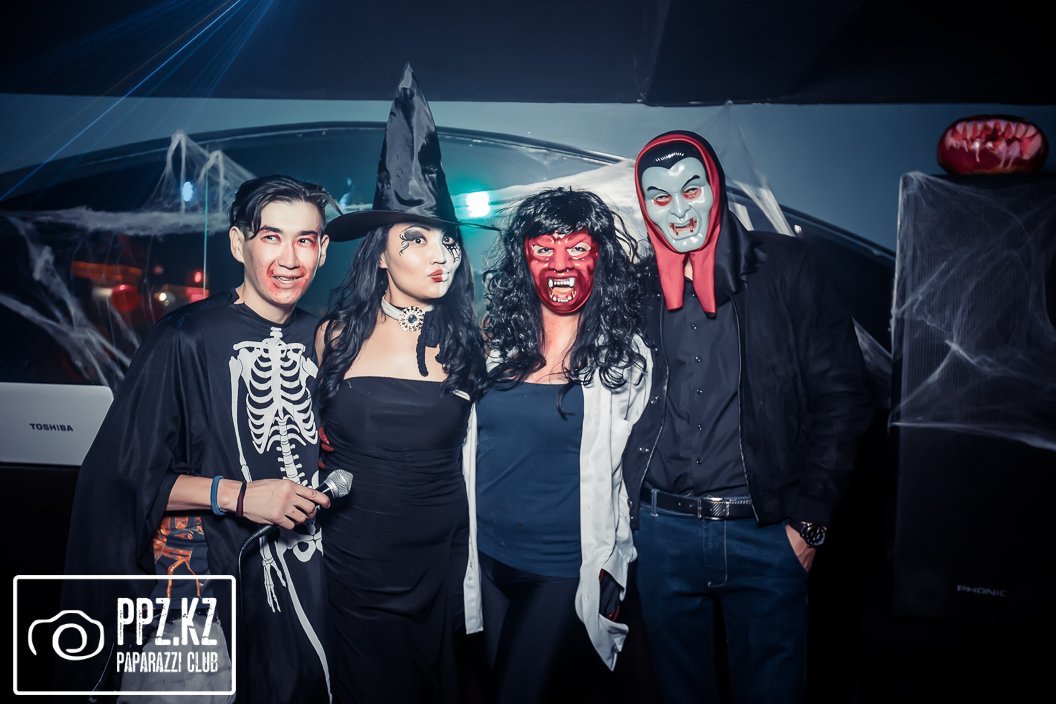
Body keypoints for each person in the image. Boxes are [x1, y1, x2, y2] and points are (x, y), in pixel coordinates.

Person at [62, 174, 338, 703]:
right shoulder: (184, 336)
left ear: (322, 250)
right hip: (203, 596)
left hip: (307, 589)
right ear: (238, 243)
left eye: (304, 240)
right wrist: (236, 495)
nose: (289, 258)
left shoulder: (323, 340)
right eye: (271, 237)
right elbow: (120, 480)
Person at [622, 130, 874, 704]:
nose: (678, 210)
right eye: (660, 197)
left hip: (765, 534)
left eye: (692, 189)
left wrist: (810, 523)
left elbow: (844, 398)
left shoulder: (786, 266)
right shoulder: (638, 287)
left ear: (716, 187)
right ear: (645, 207)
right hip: (662, 534)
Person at [315, 64, 488, 704]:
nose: (439, 255)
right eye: (415, 239)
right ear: (381, 254)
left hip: (442, 562)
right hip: (353, 562)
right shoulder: (332, 337)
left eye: (447, 240)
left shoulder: (473, 343)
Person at [463, 187, 650, 703]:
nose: (560, 264)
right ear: (523, 260)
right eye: (544, 249)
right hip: (488, 560)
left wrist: (620, 563)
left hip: (562, 569)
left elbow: (635, 472)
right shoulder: (495, 348)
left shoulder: (625, 360)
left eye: (578, 248)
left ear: (600, 257)